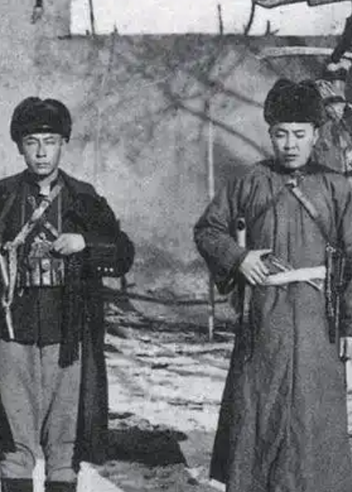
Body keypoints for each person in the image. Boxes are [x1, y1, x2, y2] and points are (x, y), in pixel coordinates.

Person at [0, 96, 135, 492]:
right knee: (13, 436)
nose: (41, 151)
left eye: (50, 141)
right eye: (32, 142)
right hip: (9, 328)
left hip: (67, 330)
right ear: (20, 146)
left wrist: (86, 242)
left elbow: (123, 252)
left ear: (63, 144)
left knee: (65, 438)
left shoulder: (84, 197)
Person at [194, 79, 352, 491]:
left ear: (316, 135)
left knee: (313, 424)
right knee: (259, 412)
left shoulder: (337, 187)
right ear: (270, 135)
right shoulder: (250, 182)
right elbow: (209, 230)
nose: (290, 144)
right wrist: (239, 258)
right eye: (281, 134)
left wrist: (348, 323)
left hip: (319, 322)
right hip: (264, 319)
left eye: (299, 134)